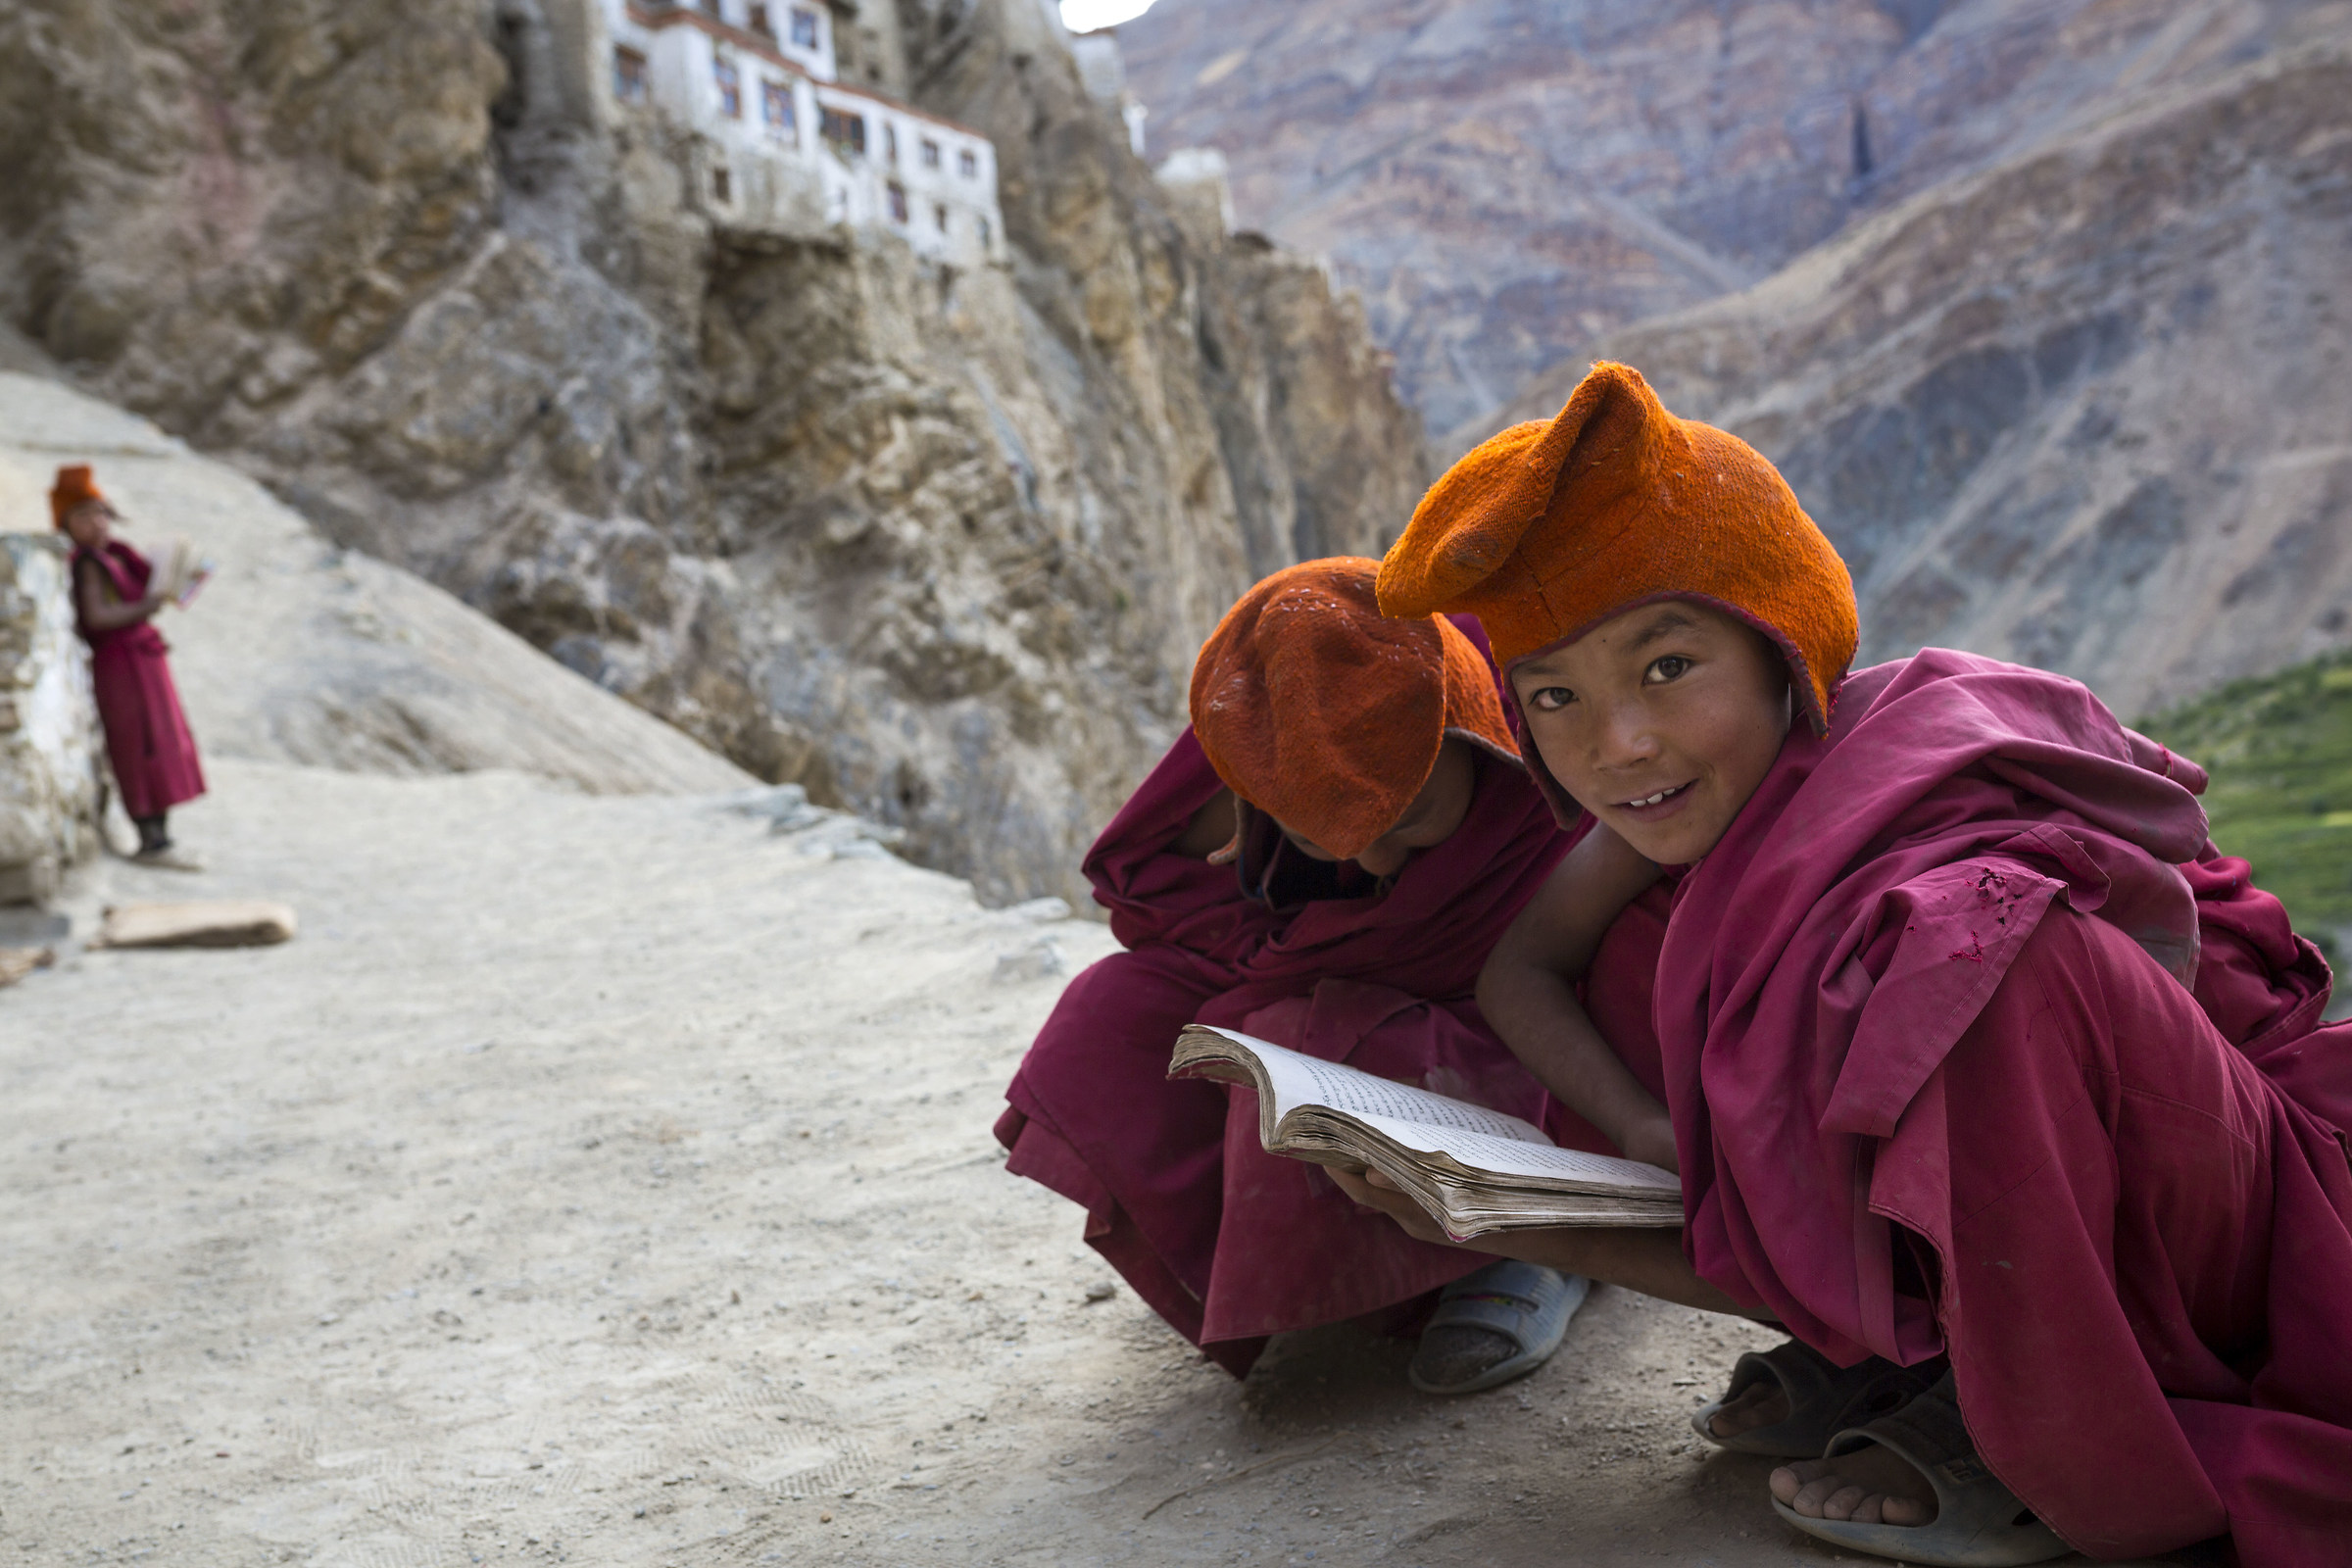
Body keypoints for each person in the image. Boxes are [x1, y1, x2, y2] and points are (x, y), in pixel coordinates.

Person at [1337, 361, 2352, 1565]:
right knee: (1647, 966)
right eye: (1553, 695)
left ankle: (2024, 1423)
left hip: (2228, 1208)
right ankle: (1907, 1351)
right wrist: (1620, 1148)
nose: (1619, 743)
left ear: (1781, 642)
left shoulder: (1920, 770)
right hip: (2026, 1200)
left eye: (1667, 667)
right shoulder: (1676, 818)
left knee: (1985, 955)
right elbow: (1524, 968)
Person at [995, 558, 1624, 1390]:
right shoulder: (1262, 747)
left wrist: (1326, 985)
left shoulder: (1538, 734)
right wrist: (1304, 952)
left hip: (1517, 1029)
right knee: (1115, 1012)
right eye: (1326, 833)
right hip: (1352, 994)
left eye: (1414, 819)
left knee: (1313, 1032)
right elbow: (1164, 905)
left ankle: (1532, 1252)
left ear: (1473, 733)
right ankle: (1316, 1277)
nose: (1374, 858)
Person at [53, 465, 207, 867]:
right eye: (83, 516)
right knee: (139, 745)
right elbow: (98, 617)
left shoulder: (116, 554)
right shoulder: (87, 563)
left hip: (144, 659)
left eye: (100, 512)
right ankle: (151, 840)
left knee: (160, 739)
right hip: (119, 663)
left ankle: (161, 835)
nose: (96, 522)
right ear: (66, 524)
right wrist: (148, 606)